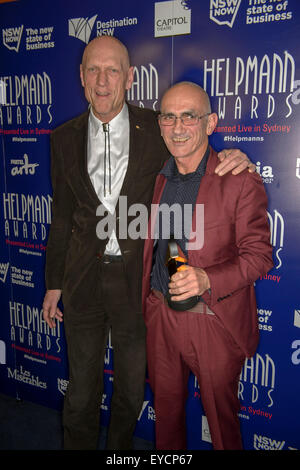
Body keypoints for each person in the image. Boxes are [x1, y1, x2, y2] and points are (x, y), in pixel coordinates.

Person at [42, 36, 255, 450]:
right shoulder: (62, 137)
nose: (102, 80)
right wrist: (55, 283)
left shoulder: (157, 128)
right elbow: (63, 217)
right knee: (82, 392)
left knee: (130, 393)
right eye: (93, 70)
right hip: (82, 282)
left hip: (137, 286)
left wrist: (238, 159)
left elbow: (194, 146)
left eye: (112, 70)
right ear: (81, 77)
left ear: (129, 78)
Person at [142, 82, 273, 450]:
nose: (178, 126)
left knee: (221, 423)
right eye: (169, 116)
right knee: (165, 418)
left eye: (189, 116)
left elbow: (260, 256)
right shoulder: (156, 176)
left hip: (212, 317)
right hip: (159, 313)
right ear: (160, 123)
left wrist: (206, 279)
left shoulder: (239, 179)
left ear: (210, 122)